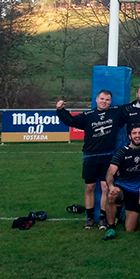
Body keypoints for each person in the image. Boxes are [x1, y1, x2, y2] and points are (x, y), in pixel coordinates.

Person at [56, 90, 127, 229]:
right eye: (102, 99)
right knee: (90, 187)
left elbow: (133, 107)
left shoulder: (116, 112)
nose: (104, 101)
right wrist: (60, 110)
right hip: (90, 156)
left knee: (105, 187)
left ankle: (102, 217)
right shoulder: (88, 116)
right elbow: (70, 120)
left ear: (110, 101)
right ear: (96, 99)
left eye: (107, 100)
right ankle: (89, 217)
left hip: (107, 156)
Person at [103, 126, 140, 241]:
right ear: (129, 136)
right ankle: (111, 227)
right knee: (112, 195)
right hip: (122, 188)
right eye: (134, 133)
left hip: (136, 193)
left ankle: (120, 214)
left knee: (130, 229)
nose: (137, 135)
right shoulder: (122, 152)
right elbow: (110, 172)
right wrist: (111, 186)